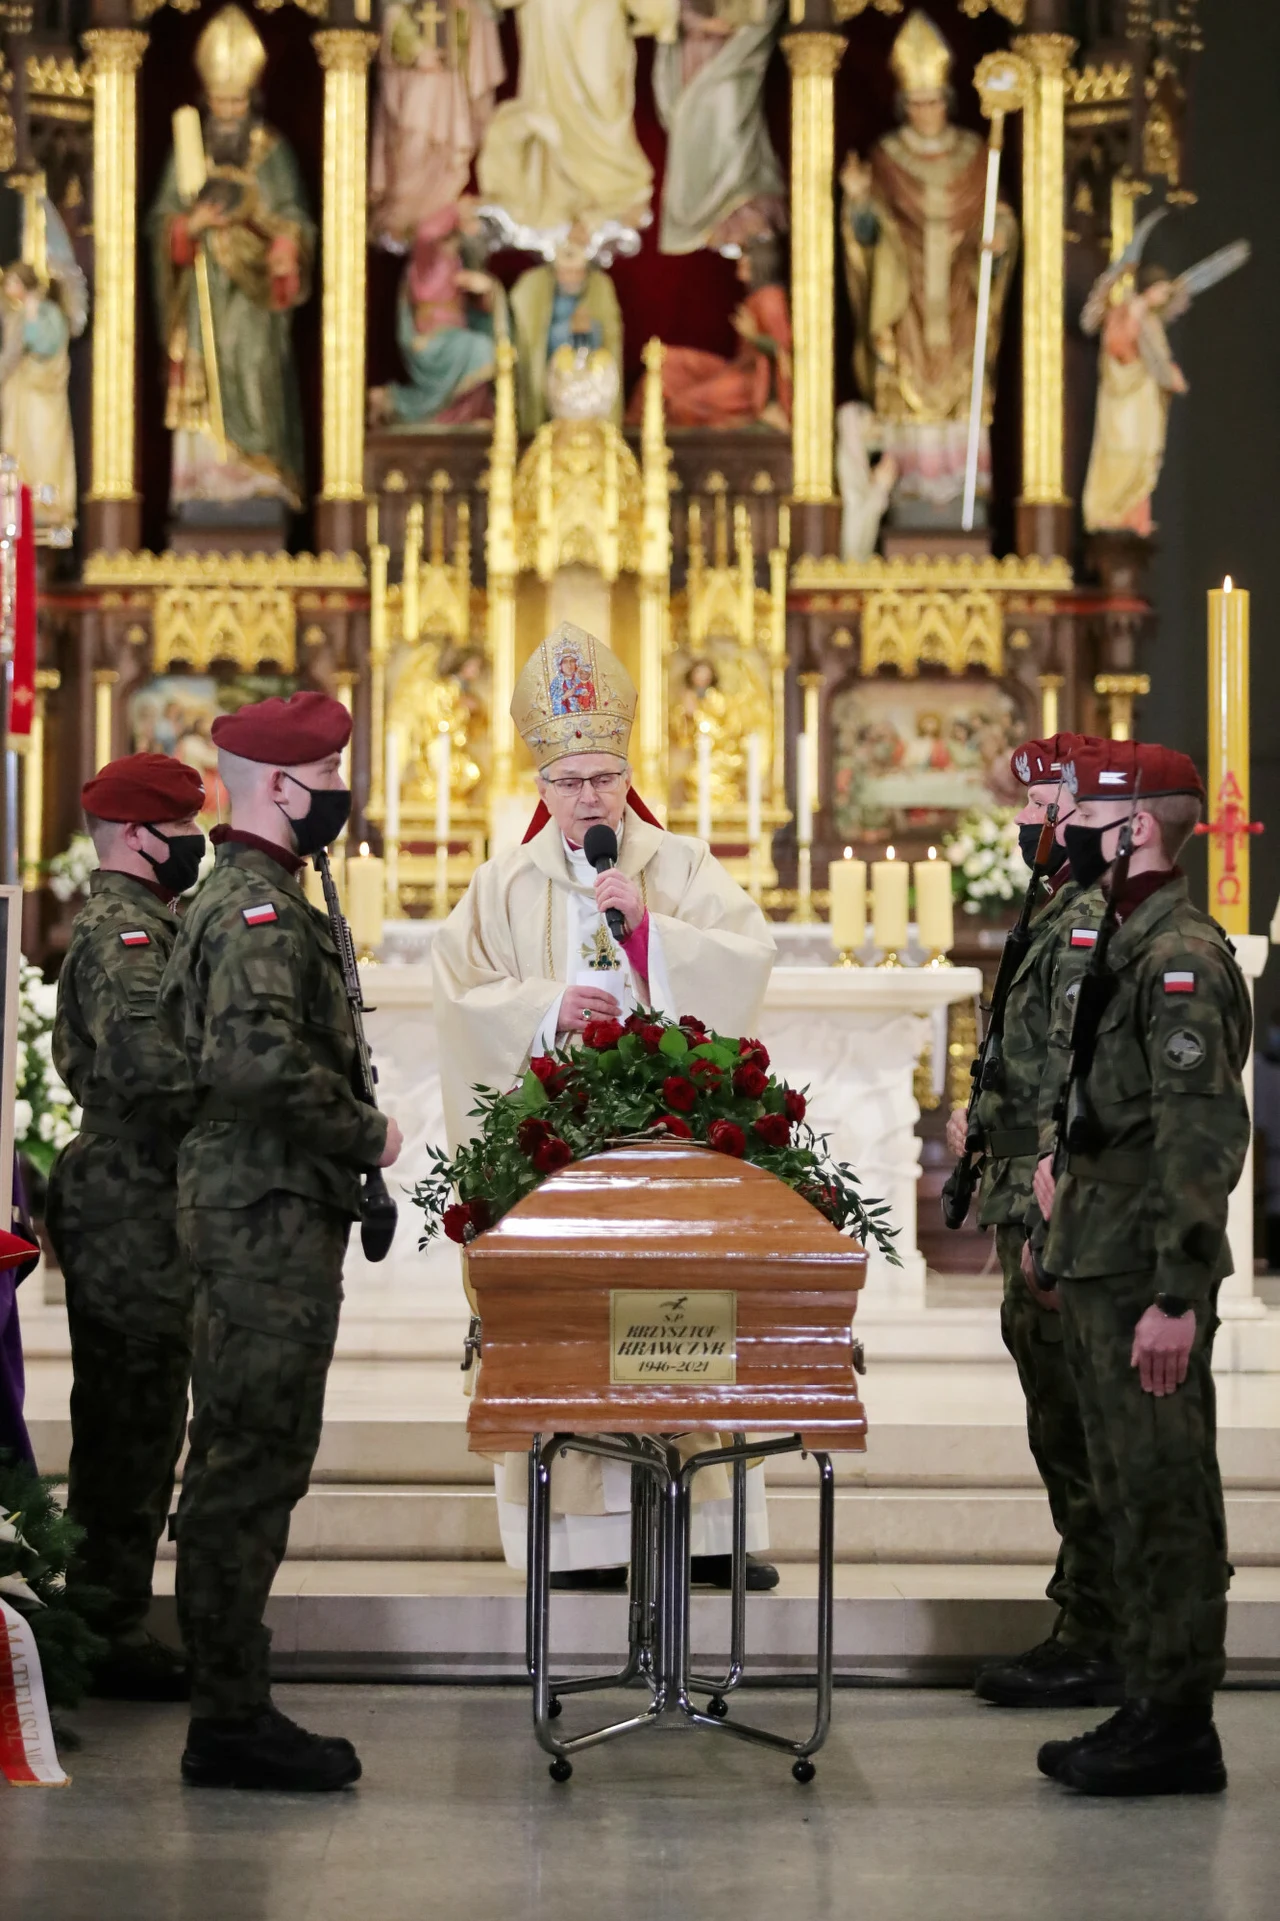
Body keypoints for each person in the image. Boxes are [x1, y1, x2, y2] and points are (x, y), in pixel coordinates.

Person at [432, 620, 779, 1590]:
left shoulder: (680, 867)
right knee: (571, 1319)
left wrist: (650, 938)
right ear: (541, 786)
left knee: (684, 1311)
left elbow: (745, 959)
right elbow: (458, 996)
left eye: (603, 778)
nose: (589, 797)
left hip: (671, 1142)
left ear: (627, 775)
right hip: (558, 1150)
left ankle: (708, 1533)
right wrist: (547, 1010)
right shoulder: (501, 887)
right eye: (570, 781)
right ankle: (582, 1542)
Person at [158, 692, 403, 1792]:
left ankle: (229, 1700)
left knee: (252, 1450)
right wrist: (365, 1131)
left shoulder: (270, 893)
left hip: (271, 1204)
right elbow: (254, 1062)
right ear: (281, 786)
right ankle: (229, 1716)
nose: (341, 792)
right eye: (329, 774)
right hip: (260, 1210)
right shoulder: (254, 906)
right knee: (249, 1456)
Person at [1030, 738, 1251, 1797]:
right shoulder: (1125, 937)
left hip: (1142, 1271)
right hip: (1101, 1252)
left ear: (1137, 828)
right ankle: (1148, 1699)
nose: (1065, 830)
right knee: (1124, 1484)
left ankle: (1176, 1722)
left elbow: (1197, 1138)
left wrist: (1176, 1293)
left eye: (1084, 817)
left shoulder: (1180, 957)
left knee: (1164, 1490)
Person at [944, 732, 1122, 1711]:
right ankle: (1086, 1621)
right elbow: (1035, 1080)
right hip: (1026, 1197)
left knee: (1078, 1428)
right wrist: (989, 1124)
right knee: (1059, 1423)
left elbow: (1076, 1076)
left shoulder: (1084, 921)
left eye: (1040, 805)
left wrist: (1051, 1196)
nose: (1022, 820)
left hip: (1055, 1212)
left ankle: (1099, 1633)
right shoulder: (1052, 910)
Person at [46, 752, 207, 1700]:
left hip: (144, 1193)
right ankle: (105, 1627)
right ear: (138, 836)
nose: (195, 841)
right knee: (129, 1422)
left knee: (142, 1416)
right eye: (180, 828)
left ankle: (106, 1618)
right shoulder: (127, 935)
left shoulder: (153, 920)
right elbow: (154, 1069)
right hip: (129, 1198)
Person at [839, 8, 1017, 523]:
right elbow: (867, 237)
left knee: (963, 383)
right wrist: (859, 201)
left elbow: (1001, 216)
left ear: (948, 101)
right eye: (916, 103)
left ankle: (964, 504)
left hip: (960, 293)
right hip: (906, 297)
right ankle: (909, 501)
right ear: (904, 104)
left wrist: (999, 238)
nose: (925, 112)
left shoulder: (977, 155)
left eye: (933, 101)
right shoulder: (887, 157)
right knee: (904, 380)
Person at [147, 5, 314, 513]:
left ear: (251, 98)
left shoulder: (271, 151)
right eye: (220, 103)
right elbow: (161, 220)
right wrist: (188, 227)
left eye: (237, 102)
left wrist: (285, 247)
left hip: (255, 294)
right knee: (203, 370)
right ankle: (204, 482)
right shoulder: (188, 150)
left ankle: (259, 478)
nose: (228, 112)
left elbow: (295, 217)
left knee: (257, 367)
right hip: (202, 294)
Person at [653, 0, 787, 257]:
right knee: (700, 122)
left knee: (726, 116)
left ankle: (733, 202)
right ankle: (719, 207)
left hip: (735, 50)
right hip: (696, 50)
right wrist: (699, 21)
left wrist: (736, 24)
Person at [0, 260, 76, 534]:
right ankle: (20, 506)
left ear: (23, 284)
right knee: (19, 451)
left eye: (11, 283)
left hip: (44, 396)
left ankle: (47, 508)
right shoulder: (17, 315)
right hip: (21, 395)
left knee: (43, 447)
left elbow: (47, 346)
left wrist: (31, 320)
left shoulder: (48, 313)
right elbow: (10, 356)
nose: (8, 289)